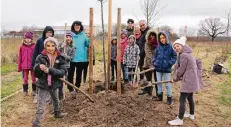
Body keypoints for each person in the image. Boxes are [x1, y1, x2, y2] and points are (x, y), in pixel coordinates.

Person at [168, 36, 204, 126]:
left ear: (182, 45)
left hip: (189, 80)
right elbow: (198, 62)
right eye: (175, 47)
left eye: (178, 46)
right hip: (193, 78)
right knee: (190, 96)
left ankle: (180, 119)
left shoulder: (184, 55)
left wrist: (175, 79)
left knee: (182, 98)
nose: (176, 48)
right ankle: (191, 114)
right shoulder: (189, 53)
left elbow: (181, 70)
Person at [32, 37, 67, 127]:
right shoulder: (40, 57)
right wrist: (39, 67)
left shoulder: (60, 57)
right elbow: (36, 73)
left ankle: (57, 113)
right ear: (45, 46)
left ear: (56, 46)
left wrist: (50, 70)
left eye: (52, 46)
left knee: (56, 100)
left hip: (54, 84)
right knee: (41, 106)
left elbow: (62, 72)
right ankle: (36, 124)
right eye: (48, 46)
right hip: (43, 84)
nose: (50, 48)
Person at [152, 31, 177, 105]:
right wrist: (154, 62)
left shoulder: (170, 47)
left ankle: (169, 98)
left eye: (163, 38)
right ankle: (159, 96)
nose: (162, 40)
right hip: (158, 69)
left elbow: (175, 56)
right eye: (160, 38)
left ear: (166, 38)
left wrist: (169, 63)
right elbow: (155, 56)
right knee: (158, 83)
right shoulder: (158, 47)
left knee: (167, 84)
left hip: (166, 69)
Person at [32, 26, 54, 103]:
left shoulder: (53, 41)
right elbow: (35, 53)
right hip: (41, 63)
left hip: (50, 63)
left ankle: (48, 97)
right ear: (45, 32)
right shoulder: (40, 41)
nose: (49, 34)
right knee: (39, 80)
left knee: (49, 80)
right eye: (48, 32)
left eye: (51, 32)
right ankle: (37, 96)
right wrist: (34, 64)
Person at [67, 21, 89, 97]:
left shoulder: (83, 35)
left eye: (79, 25)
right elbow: (66, 42)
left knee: (79, 75)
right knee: (70, 74)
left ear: (80, 26)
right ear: (73, 26)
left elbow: (88, 44)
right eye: (76, 25)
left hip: (81, 58)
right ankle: (70, 88)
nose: (77, 26)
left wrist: (90, 40)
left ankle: (77, 88)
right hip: (71, 58)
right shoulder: (70, 34)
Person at [138, 29, 158, 96]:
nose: (152, 37)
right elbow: (148, 54)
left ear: (156, 36)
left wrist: (155, 64)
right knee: (148, 79)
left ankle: (158, 93)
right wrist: (150, 65)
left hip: (157, 64)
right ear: (148, 36)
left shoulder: (158, 44)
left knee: (156, 79)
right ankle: (149, 90)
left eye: (153, 35)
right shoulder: (147, 43)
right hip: (148, 64)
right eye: (151, 35)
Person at [58, 31, 76, 100]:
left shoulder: (73, 47)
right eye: (67, 37)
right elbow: (56, 52)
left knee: (67, 79)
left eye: (70, 37)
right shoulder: (61, 44)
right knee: (60, 80)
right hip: (59, 65)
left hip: (67, 66)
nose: (68, 38)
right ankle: (60, 94)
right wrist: (61, 48)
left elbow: (71, 58)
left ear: (71, 38)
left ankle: (71, 91)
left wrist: (65, 56)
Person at [17, 31, 36, 96]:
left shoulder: (34, 46)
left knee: (33, 78)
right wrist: (19, 67)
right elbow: (20, 57)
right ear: (24, 39)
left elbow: (36, 56)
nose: (28, 39)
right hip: (24, 66)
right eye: (26, 38)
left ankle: (34, 90)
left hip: (32, 65)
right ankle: (25, 91)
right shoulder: (22, 47)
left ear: (31, 39)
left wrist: (36, 65)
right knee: (25, 78)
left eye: (29, 38)